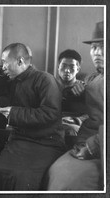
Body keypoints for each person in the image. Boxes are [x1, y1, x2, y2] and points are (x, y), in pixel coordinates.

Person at [0, 43, 66, 190]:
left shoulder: (45, 79)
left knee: (21, 180)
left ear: (20, 61)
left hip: (45, 143)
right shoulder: (13, 81)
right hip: (19, 141)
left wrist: (13, 113)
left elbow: (51, 113)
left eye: (5, 62)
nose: (3, 67)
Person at [47, 21, 104, 190]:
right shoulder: (94, 77)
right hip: (85, 142)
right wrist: (73, 92)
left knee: (66, 180)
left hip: (98, 147)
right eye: (94, 47)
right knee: (55, 171)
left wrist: (91, 148)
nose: (97, 52)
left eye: (103, 46)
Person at [56, 49, 86, 114]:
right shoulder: (49, 85)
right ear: (58, 67)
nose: (67, 70)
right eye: (64, 66)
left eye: (72, 67)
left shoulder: (83, 88)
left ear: (78, 69)